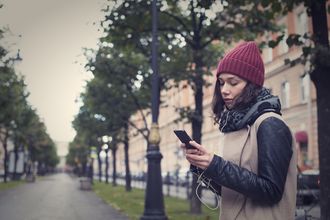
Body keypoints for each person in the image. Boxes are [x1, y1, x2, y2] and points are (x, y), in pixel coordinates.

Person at [181, 41, 297, 220]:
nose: (224, 90)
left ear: (251, 85)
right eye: (221, 82)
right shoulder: (236, 126)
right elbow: (232, 192)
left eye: (233, 82)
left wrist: (216, 165)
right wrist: (203, 166)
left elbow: (271, 191)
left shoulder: (270, 124)